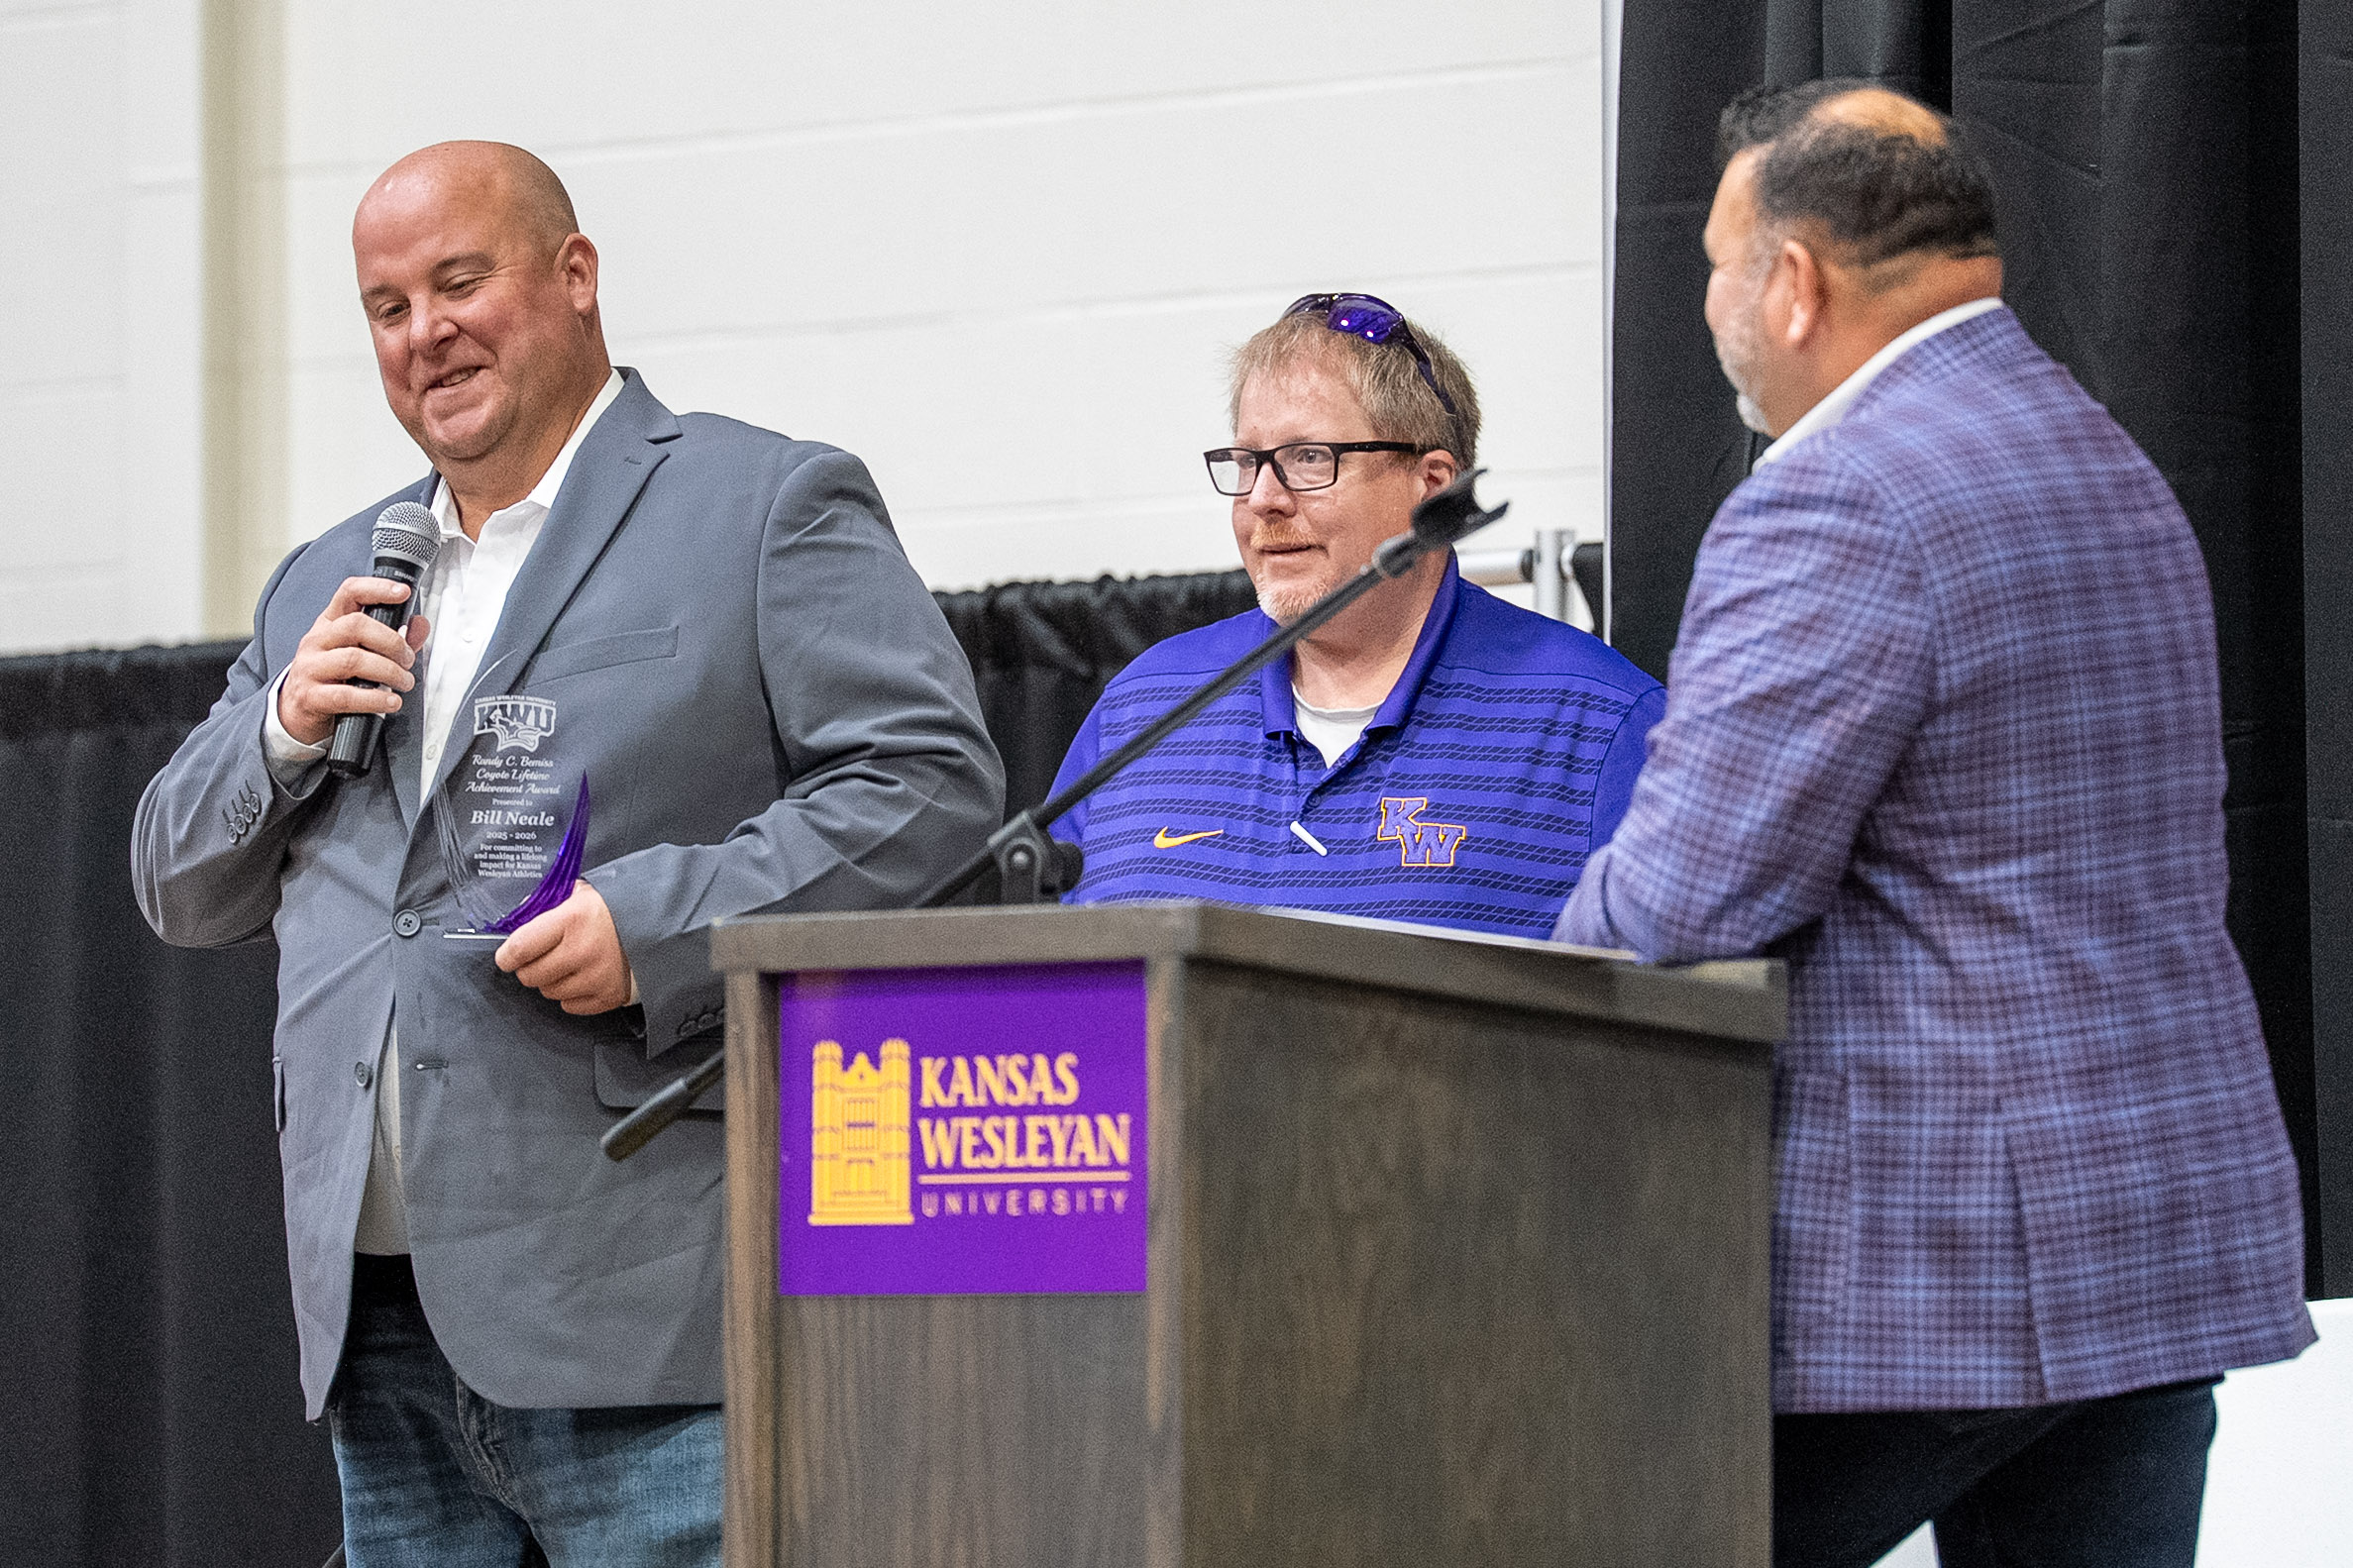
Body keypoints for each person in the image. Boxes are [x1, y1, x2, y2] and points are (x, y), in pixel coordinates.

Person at [132, 142, 1003, 1565]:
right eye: (387, 306)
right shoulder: (329, 573)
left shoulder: (761, 504)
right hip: (380, 1331)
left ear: (575, 276)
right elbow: (176, 878)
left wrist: (662, 923)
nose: (426, 332)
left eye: (459, 281)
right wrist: (282, 727)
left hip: (647, 1323)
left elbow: (932, 784)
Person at [1554, 82, 2313, 1567]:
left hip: (1942, 1266)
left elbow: (1676, 908)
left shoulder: (1834, 497)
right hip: (2147, 1237)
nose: (1704, 305)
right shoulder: (2101, 458)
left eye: (1713, 264)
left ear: (1790, 282)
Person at [1048, 293, 1662, 934]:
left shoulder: (1598, 726)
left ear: (1431, 486)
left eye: (1308, 458)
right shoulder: (1142, 707)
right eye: (1246, 462)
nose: (1261, 499)